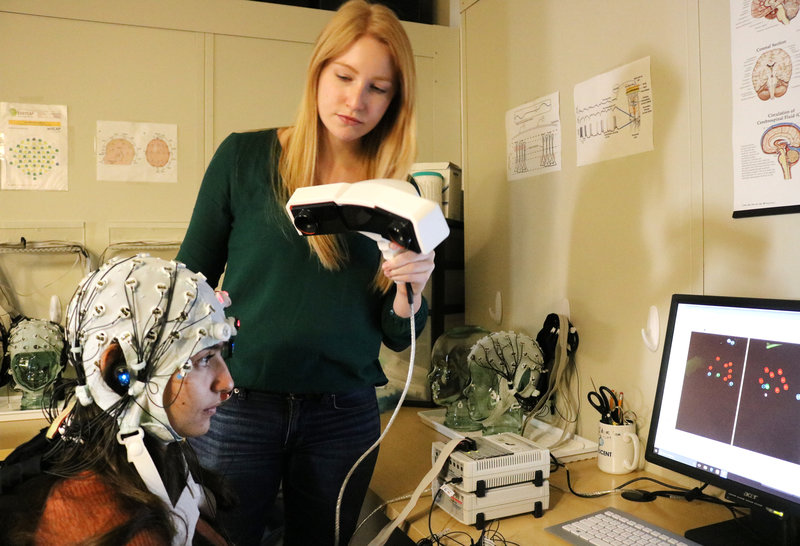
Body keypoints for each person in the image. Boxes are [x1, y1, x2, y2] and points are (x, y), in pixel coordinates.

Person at [175, 1, 434, 544]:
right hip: (237, 403)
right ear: (318, 70)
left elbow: (396, 334)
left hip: (343, 416)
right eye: (343, 76)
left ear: (395, 99)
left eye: (377, 88)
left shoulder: (396, 195)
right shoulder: (244, 159)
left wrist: (412, 286)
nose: (355, 100)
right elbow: (183, 281)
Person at [0, 254, 237, 545]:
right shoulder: (114, 524)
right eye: (203, 359)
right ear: (119, 372)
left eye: (222, 352)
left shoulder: (159, 457)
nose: (227, 383)